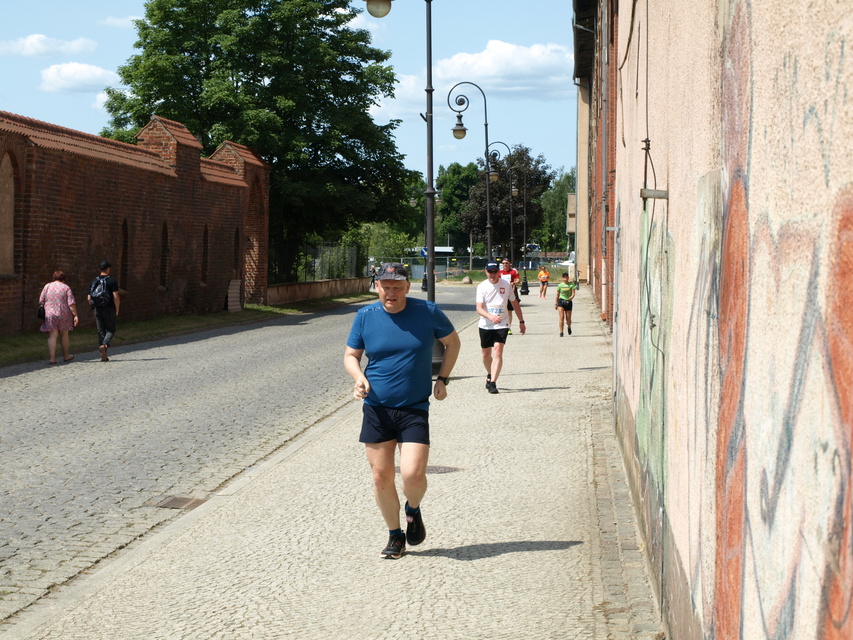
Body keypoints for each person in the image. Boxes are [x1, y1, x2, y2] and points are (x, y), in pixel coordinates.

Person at [344, 262, 460, 560]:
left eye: (397, 287)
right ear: (377, 287)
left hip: (414, 408)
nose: (391, 293)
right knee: (381, 476)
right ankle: (395, 535)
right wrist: (359, 378)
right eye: (385, 287)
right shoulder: (365, 316)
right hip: (377, 409)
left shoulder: (427, 311)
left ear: (408, 287)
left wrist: (443, 379)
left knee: (413, 475)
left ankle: (413, 509)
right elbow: (351, 356)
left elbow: (453, 343)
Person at [476, 261, 526, 394]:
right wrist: (490, 317)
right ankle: (490, 374)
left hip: (502, 323)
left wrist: (521, 321)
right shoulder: (482, 286)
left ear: (498, 272)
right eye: (490, 272)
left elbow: (515, 303)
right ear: (486, 272)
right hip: (486, 324)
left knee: (498, 351)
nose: (492, 274)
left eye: (495, 271)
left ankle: (493, 382)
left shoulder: (506, 285)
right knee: (486, 355)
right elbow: (479, 308)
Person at [38, 270, 79, 364]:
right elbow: (71, 303)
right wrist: (75, 315)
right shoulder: (66, 288)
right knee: (64, 334)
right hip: (63, 313)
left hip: (50, 314)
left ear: (53, 278)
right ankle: (66, 356)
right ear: (63, 279)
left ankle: (52, 359)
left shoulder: (47, 286)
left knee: (52, 336)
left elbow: (41, 300)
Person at [88, 261, 120, 362]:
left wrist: (95, 305)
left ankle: (103, 354)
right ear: (108, 269)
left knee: (100, 331)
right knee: (110, 329)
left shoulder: (94, 281)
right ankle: (105, 345)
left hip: (97, 309)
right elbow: (115, 296)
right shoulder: (112, 281)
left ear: (100, 269)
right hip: (109, 308)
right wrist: (117, 308)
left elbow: (89, 298)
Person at [499, 259, 521, 332]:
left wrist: (513, 283)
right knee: (501, 310)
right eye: (503, 263)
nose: (505, 265)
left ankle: (508, 327)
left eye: (506, 263)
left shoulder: (513, 271)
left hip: (511, 292)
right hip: (502, 293)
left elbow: (518, 280)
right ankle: (500, 326)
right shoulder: (499, 272)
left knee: (509, 311)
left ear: (509, 264)